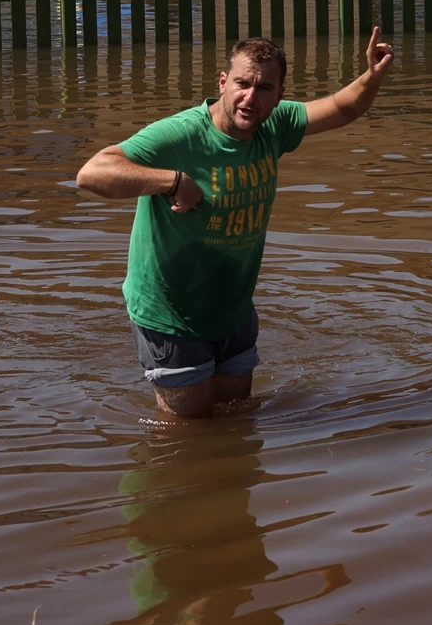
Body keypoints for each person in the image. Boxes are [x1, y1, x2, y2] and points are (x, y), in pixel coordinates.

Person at [75, 30, 395, 420]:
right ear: (223, 82)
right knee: (185, 436)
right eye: (242, 84)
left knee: (235, 421)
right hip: (172, 312)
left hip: (233, 308)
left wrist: (373, 76)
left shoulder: (274, 125)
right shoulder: (183, 134)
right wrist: (173, 181)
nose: (250, 98)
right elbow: (92, 173)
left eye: (264, 88)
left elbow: (342, 108)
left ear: (278, 95)